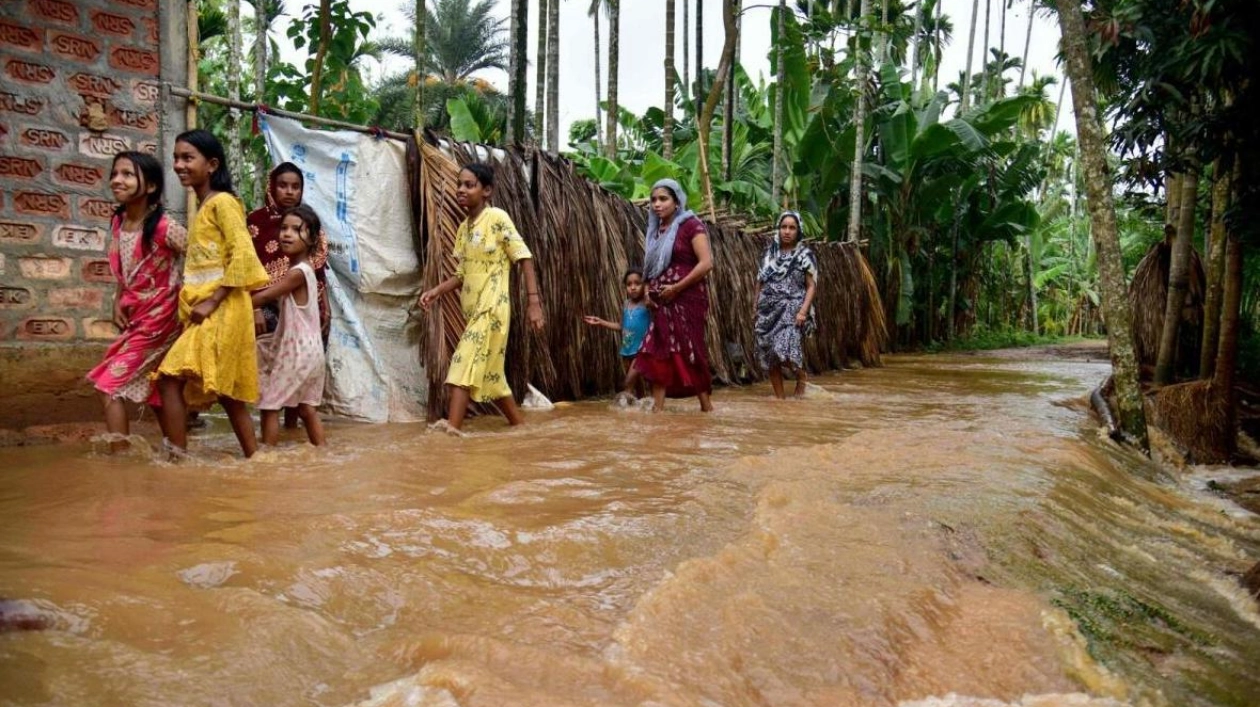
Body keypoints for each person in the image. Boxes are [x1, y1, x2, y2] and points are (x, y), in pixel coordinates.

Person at [155, 129, 270, 458]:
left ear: (212, 164)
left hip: (221, 308)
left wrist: (213, 300)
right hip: (211, 308)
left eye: (187, 157)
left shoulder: (222, 203)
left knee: (168, 379)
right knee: (228, 392)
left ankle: (176, 460)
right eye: (176, 158)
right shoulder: (205, 206)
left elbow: (244, 256)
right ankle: (257, 460)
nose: (179, 165)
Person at [417, 163, 545, 432]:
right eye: (459, 184)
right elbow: (462, 273)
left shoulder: (497, 218)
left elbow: (523, 256)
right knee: (492, 378)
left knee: (462, 365)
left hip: (493, 309)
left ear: (486, 190)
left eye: (469, 184)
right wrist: (435, 292)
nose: (461, 190)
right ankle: (523, 430)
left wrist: (534, 302)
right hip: (474, 312)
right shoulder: (464, 229)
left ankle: (453, 432)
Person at [85, 151, 188, 451]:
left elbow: (199, 258)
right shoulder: (118, 220)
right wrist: (118, 300)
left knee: (109, 387)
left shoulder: (165, 228)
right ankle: (178, 459)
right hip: (137, 316)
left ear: (152, 186)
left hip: (162, 319)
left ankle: (121, 462)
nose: (117, 180)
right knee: (155, 389)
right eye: (115, 173)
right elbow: (124, 268)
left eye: (128, 174)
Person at [247, 162, 330, 431]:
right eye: (283, 185)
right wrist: (253, 307)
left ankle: (271, 451)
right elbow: (245, 267)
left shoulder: (309, 228)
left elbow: (319, 273)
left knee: (273, 400)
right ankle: (313, 451)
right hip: (272, 311)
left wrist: (325, 304)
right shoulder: (255, 223)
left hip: (302, 322)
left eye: (295, 186)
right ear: (272, 186)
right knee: (301, 401)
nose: (289, 191)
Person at [632, 178, 715, 413]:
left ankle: (706, 408)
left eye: (663, 199)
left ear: (677, 202)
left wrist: (677, 288)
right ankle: (658, 410)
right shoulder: (655, 232)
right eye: (654, 200)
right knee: (657, 351)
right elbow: (650, 269)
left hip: (687, 300)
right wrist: (648, 292)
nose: (657, 204)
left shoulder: (691, 225)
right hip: (660, 303)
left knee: (690, 350)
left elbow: (706, 263)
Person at [753, 211, 818, 399]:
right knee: (770, 355)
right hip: (768, 310)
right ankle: (780, 400)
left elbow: (811, 286)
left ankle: (801, 376)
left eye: (792, 227)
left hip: (793, 308)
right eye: (783, 227)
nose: (787, 231)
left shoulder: (805, 255)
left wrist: (803, 311)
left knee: (786, 351)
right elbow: (759, 281)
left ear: (798, 231)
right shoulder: (768, 254)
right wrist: (754, 306)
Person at [583, 267, 649, 399]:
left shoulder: (647, 304)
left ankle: (623, 413)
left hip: (641, 351)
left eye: (637, 283)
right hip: (626, 351)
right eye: (629, 284)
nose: (633, 287)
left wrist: (647, 293)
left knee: (627, 383)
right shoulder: (625, 304)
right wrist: (600, 321)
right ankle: (643, 413)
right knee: (638, 388)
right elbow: (621, 326)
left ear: (644, 285)